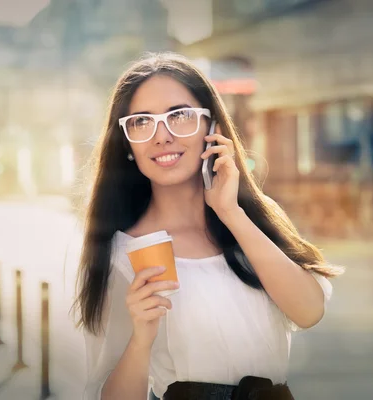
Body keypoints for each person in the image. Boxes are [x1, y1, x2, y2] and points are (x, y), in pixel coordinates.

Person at [74, 52, 344, 400]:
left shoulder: (251, 219)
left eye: (180, 115)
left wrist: (230, 213)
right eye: (142, 122)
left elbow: (309, 311)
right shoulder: (122, 252)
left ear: (211, 127)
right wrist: (142, 337)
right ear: (127, 142)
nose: (162, 136)